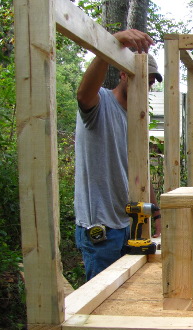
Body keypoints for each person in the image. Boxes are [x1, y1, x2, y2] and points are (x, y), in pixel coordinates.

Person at [74, 29, 162, 281]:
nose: (148, 85)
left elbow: (140, 170)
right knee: (100, 306)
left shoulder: (137, 120)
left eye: (151, 81)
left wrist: (155, 213)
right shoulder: (100, 103)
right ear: (123, 74)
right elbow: (83, 95)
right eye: (142, 78)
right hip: (101, 228)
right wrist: (111, 46)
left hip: (130, 225)